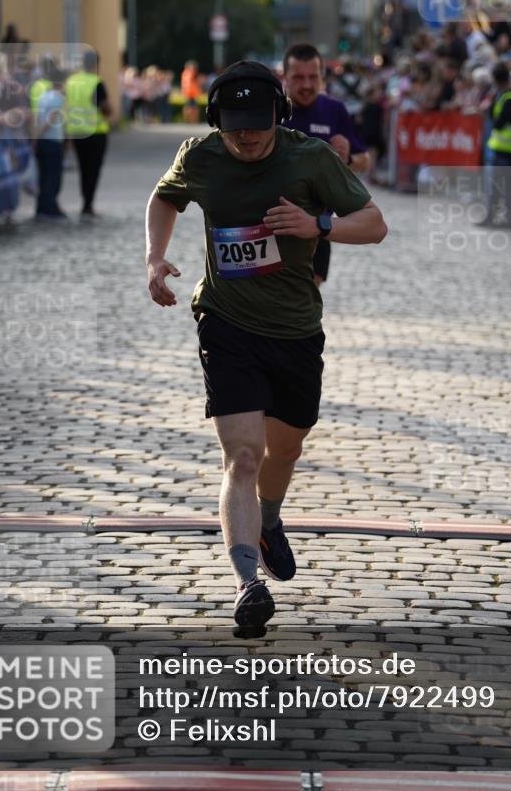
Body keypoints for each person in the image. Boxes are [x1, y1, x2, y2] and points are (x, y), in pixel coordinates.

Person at [145, 60, 387, 637]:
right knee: (243, 456)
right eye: (234, 126)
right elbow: (164, 198)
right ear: (216, 121)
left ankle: (269, 521)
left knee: (286, 448)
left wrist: (317, 225)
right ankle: (246, 584)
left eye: (257, 124)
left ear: (278, 116)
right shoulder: (200, 155)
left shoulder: (309, 158)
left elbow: (374, 223)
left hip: (296, 329)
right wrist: (154, 258)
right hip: (226, 324)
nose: (246, 136)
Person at [282, 43, 369, 287]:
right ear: (285, 78)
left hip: (316, 227)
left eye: (313, 77)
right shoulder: (272, 110)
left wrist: (349, 158)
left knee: (305, 301)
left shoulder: (334, 110)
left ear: (322, 77)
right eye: (298, 77)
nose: (307, 85)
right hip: (272, 224)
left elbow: (365, 160)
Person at [477, 60, 511, 229]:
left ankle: (509, 219)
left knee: (506, 188)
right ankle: (492, 217)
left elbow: (499, 122)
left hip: (508, 151)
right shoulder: (503, 96)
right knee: (496, 187)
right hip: (500, 150)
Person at [65, 50, 112, 219]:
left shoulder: (71, 82)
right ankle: (87, 204)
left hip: (77, 132)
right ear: (95, 64)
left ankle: (85, 202)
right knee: (93, 169)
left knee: (83, 169)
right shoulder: (96, 82)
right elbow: (106, 108)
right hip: (95, 133)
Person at [34, 67, 67, 220]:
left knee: (43, 176)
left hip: (44, 141)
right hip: (52, 140)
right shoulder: (58, 98)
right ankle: (49, 207)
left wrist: (36, 137)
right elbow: (51, 119)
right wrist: (38, 135)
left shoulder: (43, 96)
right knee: (53, 177)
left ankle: (41, 206)